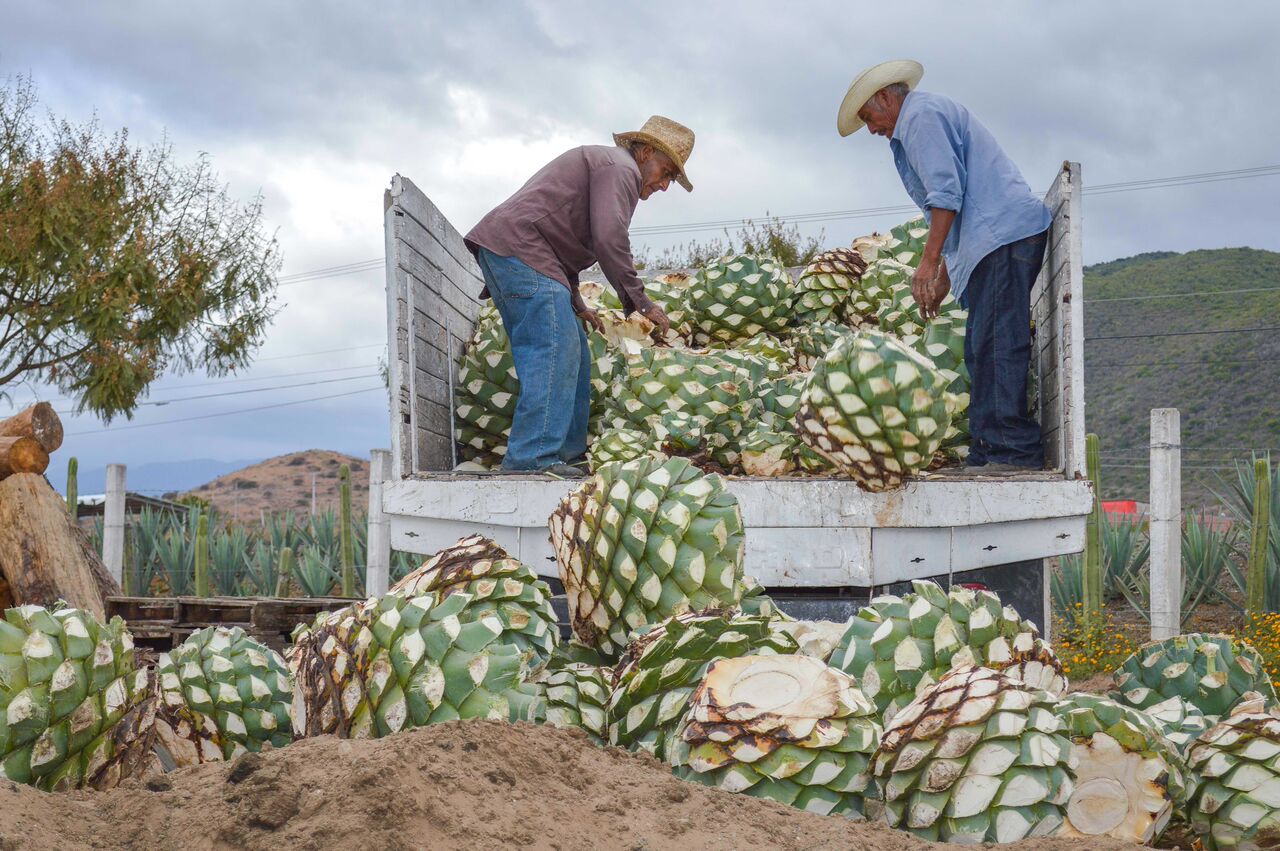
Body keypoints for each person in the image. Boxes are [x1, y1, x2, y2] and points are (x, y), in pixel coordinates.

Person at [837, 61, 1052, 471]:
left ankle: (1013, 451)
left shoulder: (920, 117)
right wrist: (944, 273)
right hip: (991, 241)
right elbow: (960, 207)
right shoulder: (918, 120)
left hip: (1003, 236)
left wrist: (927, 262)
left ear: (885, 97)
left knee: (997, 344)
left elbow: (946, 194)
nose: (871, 129)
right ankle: (991, 449)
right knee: (980, 347)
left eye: (869, 117)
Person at [464, 116, 692, 476]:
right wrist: (641, 302)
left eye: (670, 180)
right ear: (646, 152)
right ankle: (531, 461)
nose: (664, 185)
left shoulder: (609, 168)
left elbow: (562, 241)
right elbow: (608, 238)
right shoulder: (621, 169)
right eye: (666, 172)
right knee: (552, 351)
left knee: (575, 353)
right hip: (521, 251)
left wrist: (576, 303)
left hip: (525, 254)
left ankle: (565, 459)